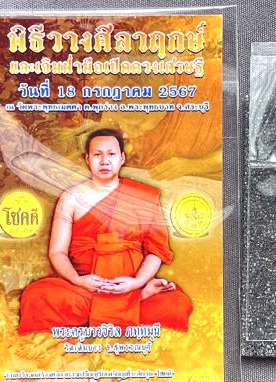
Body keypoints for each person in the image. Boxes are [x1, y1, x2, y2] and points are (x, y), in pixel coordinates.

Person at [18, 128, 193, 334]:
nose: (104, 161)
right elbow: (57, 252)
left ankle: (135, 296)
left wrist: (137, 282)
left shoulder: (142, 196)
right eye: (97, 155)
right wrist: (78, 280)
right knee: (37, 297)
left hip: (131, 282)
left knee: (176, 305)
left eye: (111, 154)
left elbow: (156, 251)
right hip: (86, 286)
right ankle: (135, 301)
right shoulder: (70, 199)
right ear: (87, 159)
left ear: (122, 159)